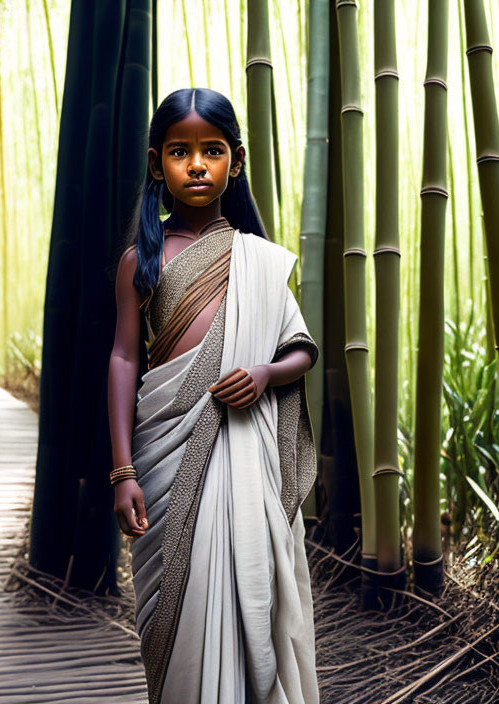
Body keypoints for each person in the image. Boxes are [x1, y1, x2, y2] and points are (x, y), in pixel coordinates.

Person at [107, 87, 320, 704]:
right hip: (159, 454)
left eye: (212, 150)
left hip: (243, 457)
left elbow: (300, 347)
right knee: (173, 612)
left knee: (241, 590)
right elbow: (123, 358)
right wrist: (122, 470)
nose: (197, 164)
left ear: (237, 160)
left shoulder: (257, 261)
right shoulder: (139, 262)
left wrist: (264, 375)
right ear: (157, 164)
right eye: (180, 152)